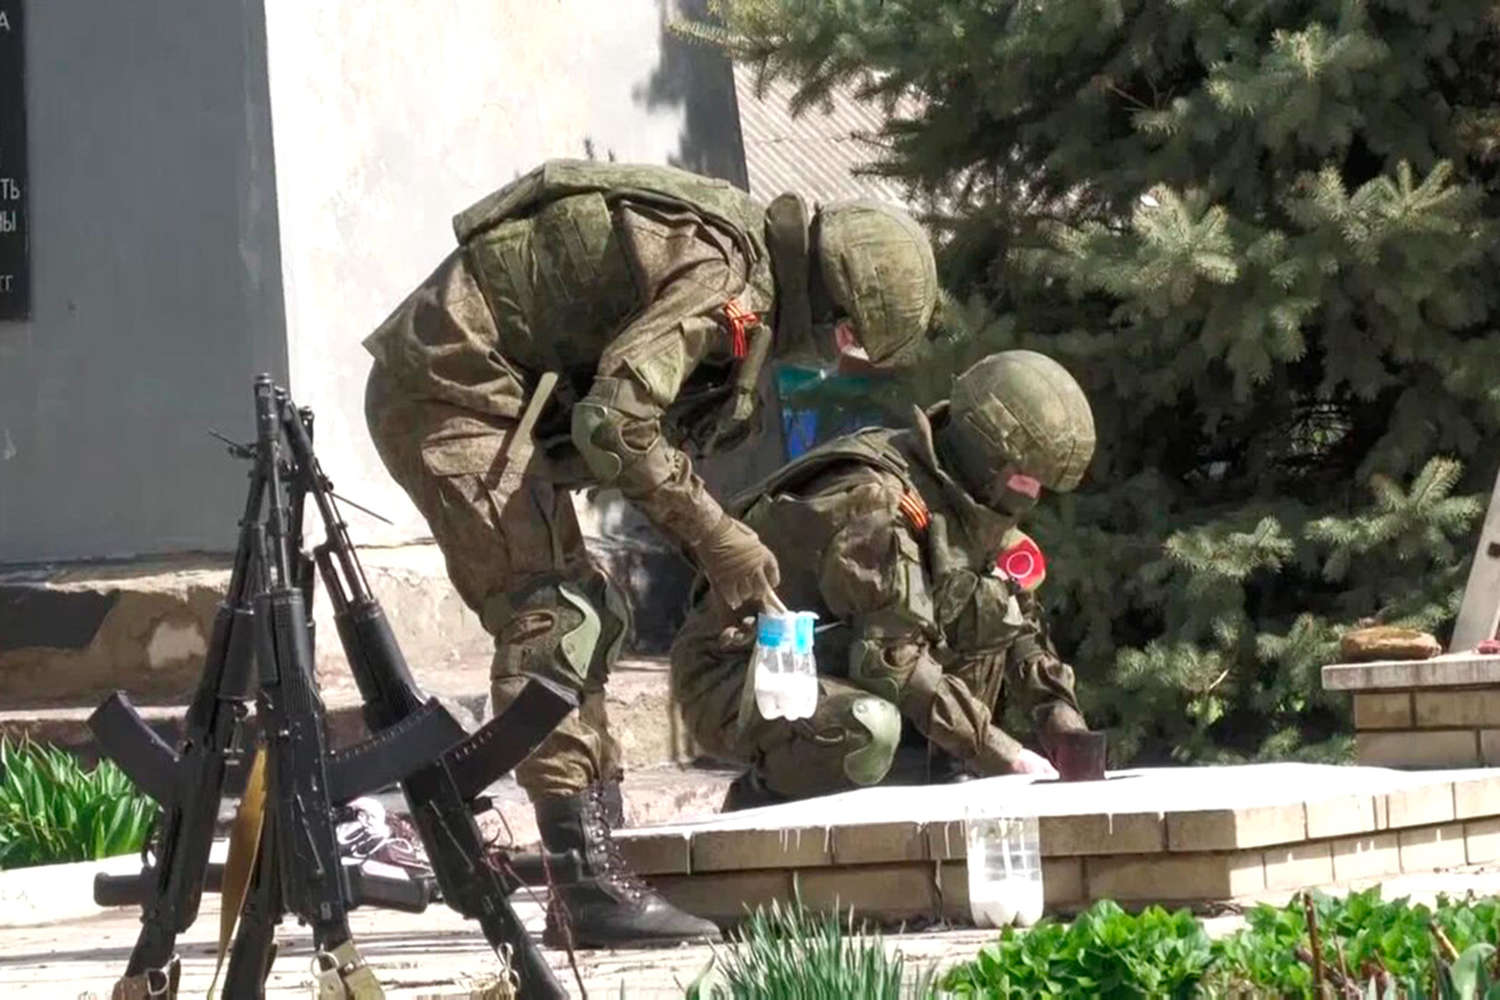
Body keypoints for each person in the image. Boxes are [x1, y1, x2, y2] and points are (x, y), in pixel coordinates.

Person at [361, 159, 944, 946]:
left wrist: (711, 543)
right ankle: (584, 887)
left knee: (591, 612)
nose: (836, 362)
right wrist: (717, 536)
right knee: (552, 613)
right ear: (841, 322)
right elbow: (614, 422)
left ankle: (597, 860)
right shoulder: (723, 276)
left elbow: (637, 434)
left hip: (482, 384)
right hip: (449, 385)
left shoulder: (742, 267)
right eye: (853, 350)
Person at [670, 350, 1095, 810]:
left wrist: (1062, 721)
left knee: (988, 603)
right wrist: (1002, 752)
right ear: (987, 454)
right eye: (1028, 479)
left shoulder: (973, 503)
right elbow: (892, 664)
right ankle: (760, 805)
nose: (1035, 495)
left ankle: (940, 777)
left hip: (831, 663)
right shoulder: (878, 506)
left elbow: (1020, 629)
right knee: (869, 728)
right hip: (738, 673)